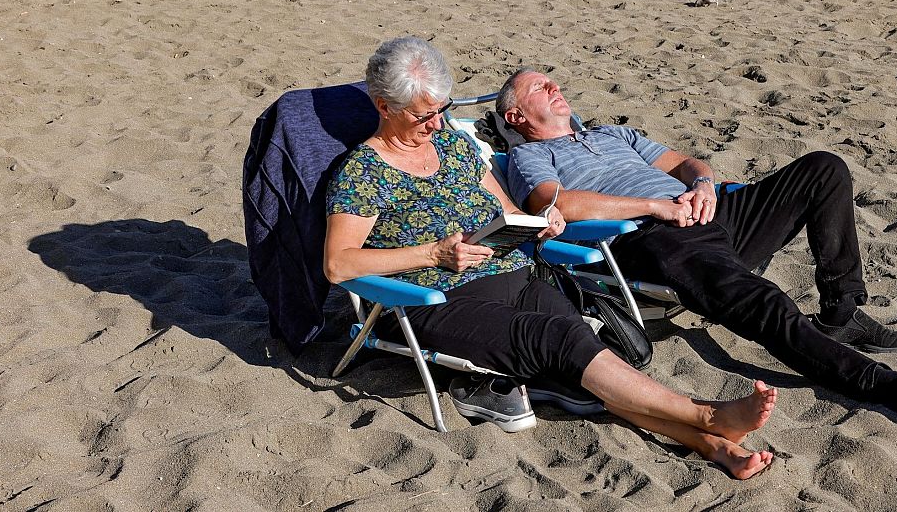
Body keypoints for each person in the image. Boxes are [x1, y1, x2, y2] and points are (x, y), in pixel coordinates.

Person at [325, 38, 777, 479]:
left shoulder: (455, 148)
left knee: (583, 351)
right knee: (559, 339)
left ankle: (712, 445)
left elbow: (507, 211)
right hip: (433, 298)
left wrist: (541, 221)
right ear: (384, 107)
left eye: (442, 110)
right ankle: (708, 415)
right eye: (424, 116)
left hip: (514, 274)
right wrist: (433, 253)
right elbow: (339, 264)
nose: (437, 124)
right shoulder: (363, 172)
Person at [498, 69, 897, 422]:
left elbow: (684, 163)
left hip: (709, 212)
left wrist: (703, 185)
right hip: (655, 237)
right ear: (516, 116)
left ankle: (841, 313)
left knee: (823, 169)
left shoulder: (611, 133)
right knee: (763, 301)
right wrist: (656, 207)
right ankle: (893, 388)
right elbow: (556, 202)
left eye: (552, 81)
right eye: (540, 87)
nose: (555, 87)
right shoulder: (527, 156)